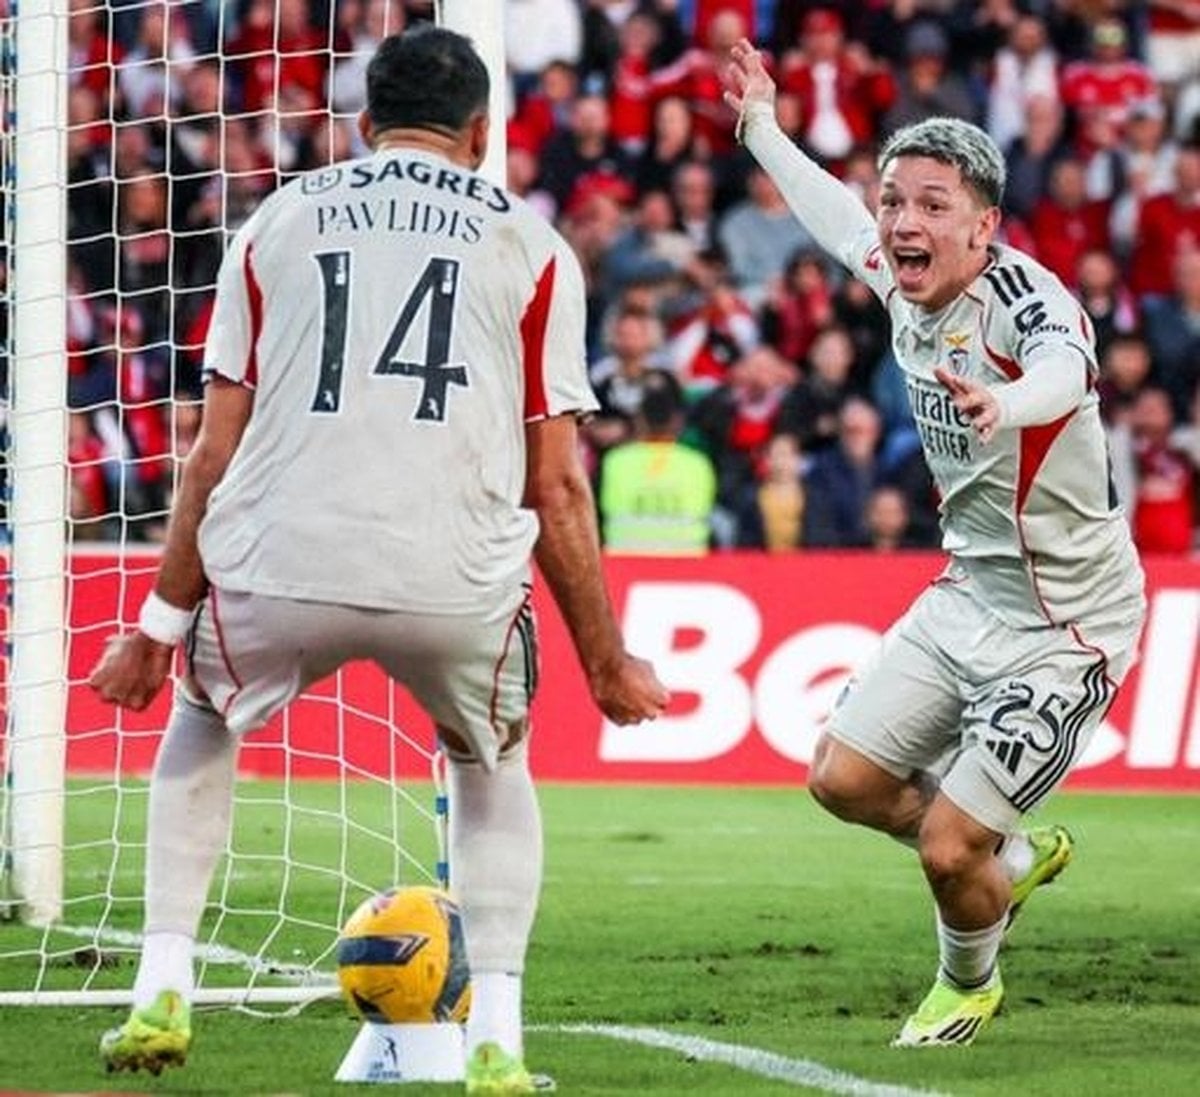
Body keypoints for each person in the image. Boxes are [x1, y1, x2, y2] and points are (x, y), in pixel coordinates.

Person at [88, 26, 669, 1093]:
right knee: (491, 762)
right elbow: (557, 484)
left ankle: (160, 983)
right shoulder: (533, 246)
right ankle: (496, 1037)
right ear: (482, 133)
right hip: (453, 576)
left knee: (203, 714)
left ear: (364, 124)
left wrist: (155, 628)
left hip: (279, 561)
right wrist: (607, 658)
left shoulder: (277, 221)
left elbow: (212, 449)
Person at [723, 40, 1146, 1047]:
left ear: (984, 225)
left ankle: (967, 979)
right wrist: (764, 127)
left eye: (931, 204)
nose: (902, 222)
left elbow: (1066, 369)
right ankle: (1008, 859)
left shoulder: (1029, 303)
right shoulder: (896, 269)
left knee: (949, 847)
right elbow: (834, 217)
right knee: (841, 780)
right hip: (968, 592)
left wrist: (1009, 401)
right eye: (895, 201)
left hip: (1066, 624)